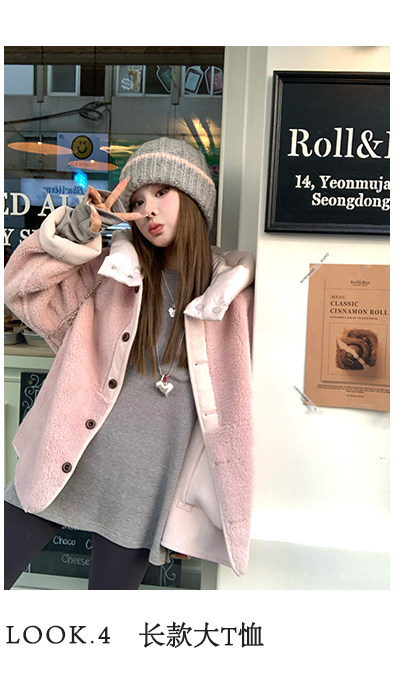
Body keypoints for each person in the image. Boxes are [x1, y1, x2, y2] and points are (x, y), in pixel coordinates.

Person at [4, 137, 255, 590]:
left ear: (195, 199)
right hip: (67, 456)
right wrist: (75, 236)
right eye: (137, 202)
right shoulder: (112, 273)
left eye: (162, 192)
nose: (148, 210)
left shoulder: (233, 298)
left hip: (146, 484)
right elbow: (22, 291)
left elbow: (236, 415)